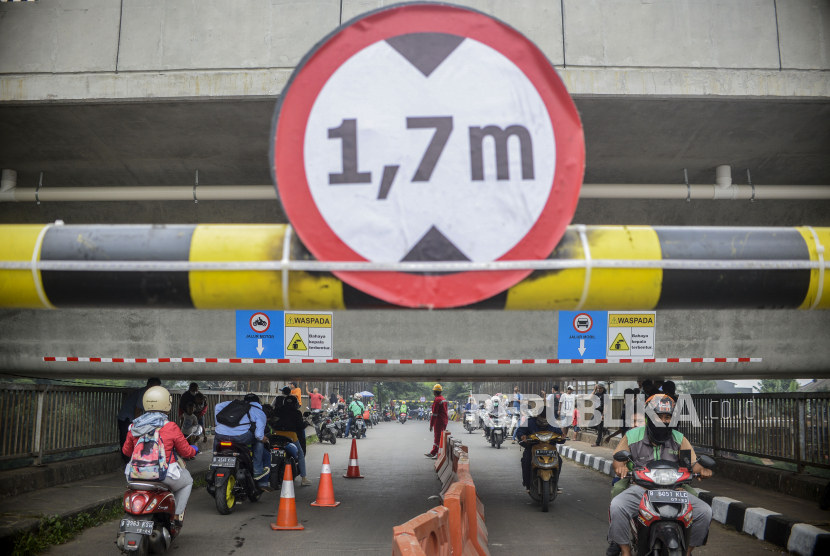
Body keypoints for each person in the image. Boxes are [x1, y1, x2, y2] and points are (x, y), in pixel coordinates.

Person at [607, 394, 713, 556]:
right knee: (617, 506)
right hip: (641, 489)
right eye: (658, 416)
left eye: (667, 417)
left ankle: (688, 551)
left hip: (675, 491)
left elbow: (693, 463)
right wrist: (620, 467)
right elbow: (617, 460)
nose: (663, 421)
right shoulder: (632, 436)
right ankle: (625, 550)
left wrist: (702, 469)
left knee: (704, 512)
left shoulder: (679, 439)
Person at [122, 385, 197, 525]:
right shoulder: (170, 426)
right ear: (167, 404)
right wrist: (194, 450)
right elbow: (186, 452)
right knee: (188, 481)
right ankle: (176, 516)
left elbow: (126, 452)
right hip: (163, 475)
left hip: (134, 475)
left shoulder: (134, 426)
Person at [214, 393, 271, 490]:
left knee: (217, 437)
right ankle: (257, 471)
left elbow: (218, 406)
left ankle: (214, 464)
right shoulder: (258, 411)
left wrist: (219, 423)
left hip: (221, 434)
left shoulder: (234, 404)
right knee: (259, 440)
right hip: (240, 437)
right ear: (258, 402)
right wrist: (263, 438)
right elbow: (258, 435)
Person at [516, 409, 564, 493]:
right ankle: (527, 483)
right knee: (526, 459)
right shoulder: (530, 422)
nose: (545, 419)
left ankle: (555, 483)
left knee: (559, 460)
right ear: (539, 416)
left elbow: (560, 435)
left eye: (547, 418)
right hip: (532, 447)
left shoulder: (553, 424)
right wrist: (522, 436)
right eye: (543, 417)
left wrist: (562, 437)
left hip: (549, 449)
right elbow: (520, 431)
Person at [269, 394, 312, 486]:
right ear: (295, 404)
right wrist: (305, 424)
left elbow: (271, 422)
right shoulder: (297, 413)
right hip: (290, 436)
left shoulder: (277, 410)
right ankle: (304, 478)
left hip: (275, 435)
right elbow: (300, 427)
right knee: (300, 454)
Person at [117, 378, 161, 464]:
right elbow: (137, 410)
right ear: (149, 385)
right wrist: (138, 425)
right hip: (126, 418)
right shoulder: (144, 393)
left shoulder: (148, 393)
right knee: (126, 439)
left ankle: (131, 460)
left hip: (129, 417)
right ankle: (127, 461)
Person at [425, 384, 449, 458]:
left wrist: (431, 425)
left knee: (438, 437)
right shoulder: (443, 399)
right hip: (444, 420)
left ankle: (437, 453)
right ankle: (434, 452)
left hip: (439, 421)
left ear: (435, 392)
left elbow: (434, 414)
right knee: (440, 437)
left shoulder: (437, 399)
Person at [591, 382, 607, 447]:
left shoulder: (605, 395)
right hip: (596, 412)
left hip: (600, 412)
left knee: (599, 428)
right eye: (598, 388)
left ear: (603, 388)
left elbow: (606, 406)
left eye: (600, 388)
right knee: (590, 424)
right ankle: (604, 429)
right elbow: (590, 398)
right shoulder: (597, 394)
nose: (599, 389)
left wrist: (603, 414)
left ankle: (597, 443)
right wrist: (594, 390)